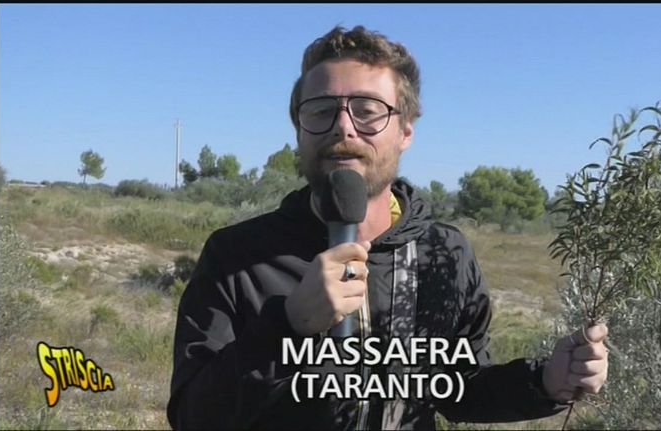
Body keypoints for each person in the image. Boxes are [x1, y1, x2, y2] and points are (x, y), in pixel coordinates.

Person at [167, 25, 609, 430]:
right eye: (320, 110)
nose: (343, 127)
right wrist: (287, 326)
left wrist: (546, 382)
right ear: (299, 130)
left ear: (406, 132)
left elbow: (460, 389)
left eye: (367, 110)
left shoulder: (445, 253)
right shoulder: (236, 256)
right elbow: (191, 417)